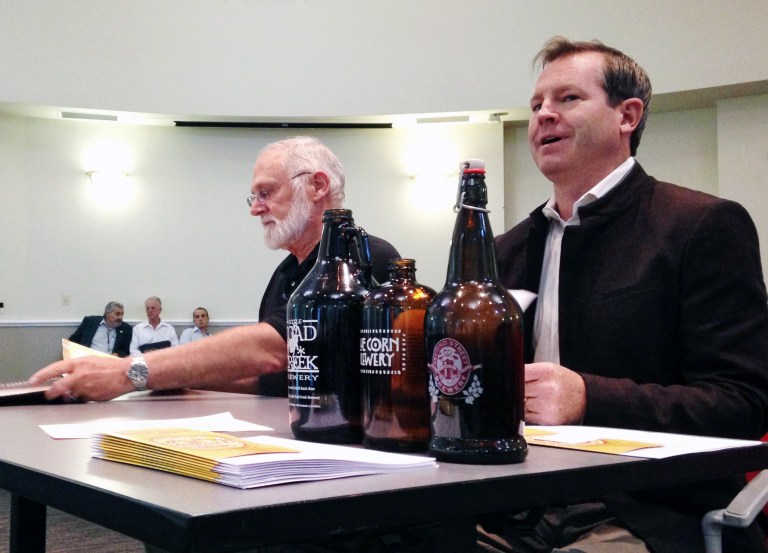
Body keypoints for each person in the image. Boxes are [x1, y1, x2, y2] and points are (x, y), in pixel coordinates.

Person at [480, 37, 768, 553]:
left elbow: (744, 403)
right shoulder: (505, 251)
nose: (543, 115)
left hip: (645, 507)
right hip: (509, 504)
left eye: (567, 99)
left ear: (627, 115)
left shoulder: (701, 226)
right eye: (536, 105)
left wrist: (590, 397)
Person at [31, 136, 399, 402]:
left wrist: (129, 372)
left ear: (317, 186)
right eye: (254, 197)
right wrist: (165, 376)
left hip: (347, 452)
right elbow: (269, 378)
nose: (256, 209)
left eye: (266, 193)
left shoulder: (364, 256)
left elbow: (274, 351)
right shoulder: (287, 272)